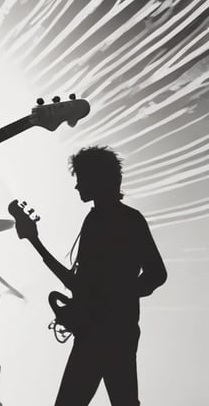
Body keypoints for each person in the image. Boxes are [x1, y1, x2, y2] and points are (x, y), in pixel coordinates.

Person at [16, 146, 167, 406]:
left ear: (97, 180)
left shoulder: (124, 220)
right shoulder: (101, 219)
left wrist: (114, 297)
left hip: (108, 333)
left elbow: (156, 274)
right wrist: (34, 241)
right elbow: (81, 285)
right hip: (103, 331)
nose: (77, 187)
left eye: (81, 179)